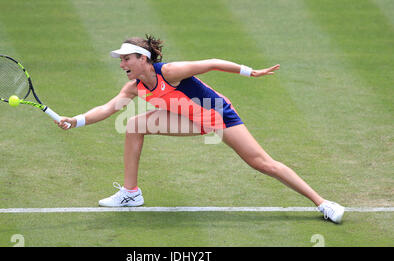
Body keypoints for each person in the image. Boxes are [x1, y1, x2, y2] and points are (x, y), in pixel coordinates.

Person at [57, 34, 345, 223]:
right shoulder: (133, 87)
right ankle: (131, 193)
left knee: (261, 162)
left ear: (143, 59)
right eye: (120, 60)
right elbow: (107, 109)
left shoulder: (169, 72)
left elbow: (211, 64)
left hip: (218, 115)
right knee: (134, 124)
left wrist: (250, 71)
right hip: (188, 119)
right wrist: (76, 119)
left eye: (126, 59)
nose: (121, 64)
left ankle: (322, 203)